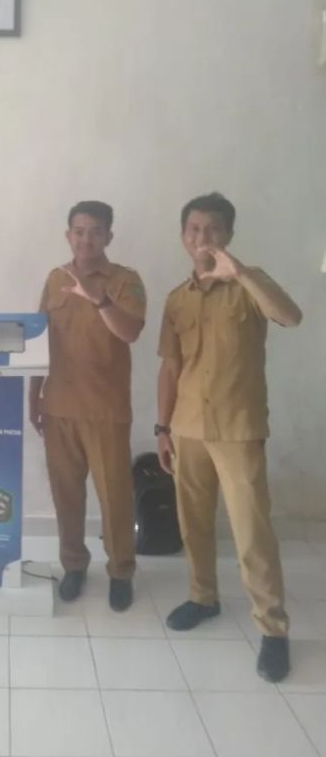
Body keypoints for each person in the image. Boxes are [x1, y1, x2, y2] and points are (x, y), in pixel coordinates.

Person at [156, 192, 302, 683]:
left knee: (251, 532)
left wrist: (239, 272)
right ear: (183, 236)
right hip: (187, 428)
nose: (203, 237)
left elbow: (290, 316)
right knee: (194, 523)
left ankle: (273, 628)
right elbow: (170, 369)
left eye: (213, 229)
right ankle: (203, 597)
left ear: (229, 235)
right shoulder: (177, 299)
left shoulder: (249, 285)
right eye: (194, 229)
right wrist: (162, 428)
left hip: (238, 430)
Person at [29, 201, 146, 609]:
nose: (86, 239)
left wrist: (101, 300)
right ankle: (74, 565)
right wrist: (34, 395)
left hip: (105, 410)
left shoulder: (125, 280)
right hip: (59, 406)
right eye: (79, 231)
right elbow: (39, 339)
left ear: (109, 236)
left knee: (115, 497)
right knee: (66, 495)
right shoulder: (55, 279)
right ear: (68, 235)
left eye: (96, 231)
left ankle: (121, 571)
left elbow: (130, 332)